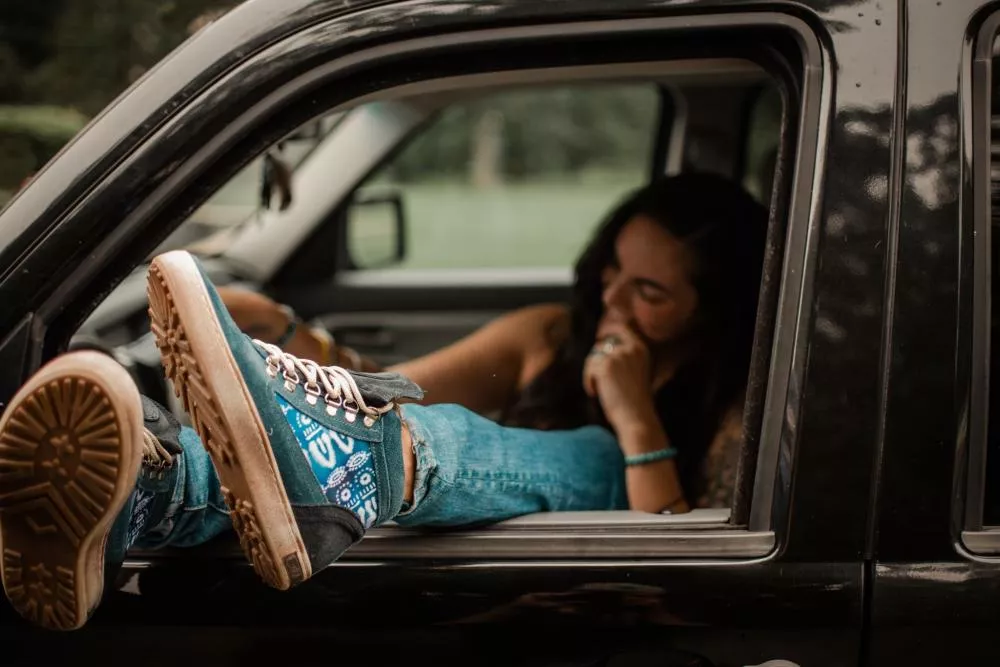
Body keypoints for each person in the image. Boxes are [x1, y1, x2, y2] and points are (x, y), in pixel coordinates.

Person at [0, 173, 767, 630]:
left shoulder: (739, 404)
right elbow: (393, 383)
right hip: (446, 523)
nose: (614, 301)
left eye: (650, 292)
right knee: (313, 448)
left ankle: (342, 469)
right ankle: (151, 492)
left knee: (594, 451)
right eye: (611, 271)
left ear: (712, 311)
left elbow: (685, 557)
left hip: (566, 596)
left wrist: (633, 416)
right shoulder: (551, 333)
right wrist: (293, 332)